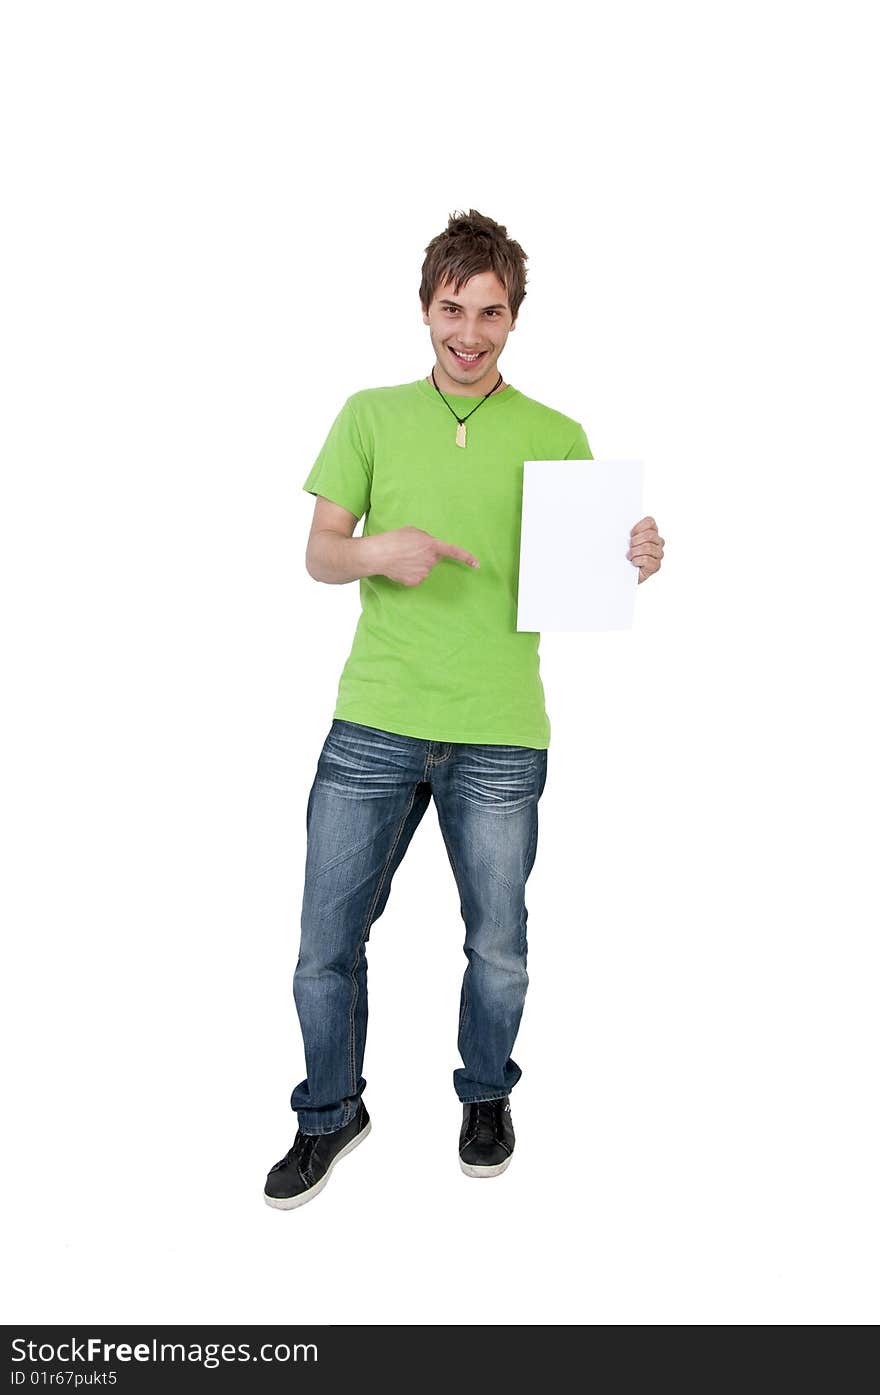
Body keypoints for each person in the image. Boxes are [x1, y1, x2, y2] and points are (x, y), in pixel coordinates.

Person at [264, 209, 665, 1210]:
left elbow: (583, 576)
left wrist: (635, 560)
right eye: (453, 310)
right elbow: (320, 552)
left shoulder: (556, 435)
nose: (470, 333)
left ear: (515, 317)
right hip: (375, 719)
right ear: (425, 309)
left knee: (498, 944)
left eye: (491, 312)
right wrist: (377, 551)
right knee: (324, 940)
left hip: (499, 729)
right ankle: (328, 1114)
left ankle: (485, 1095)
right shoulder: (368, 414)